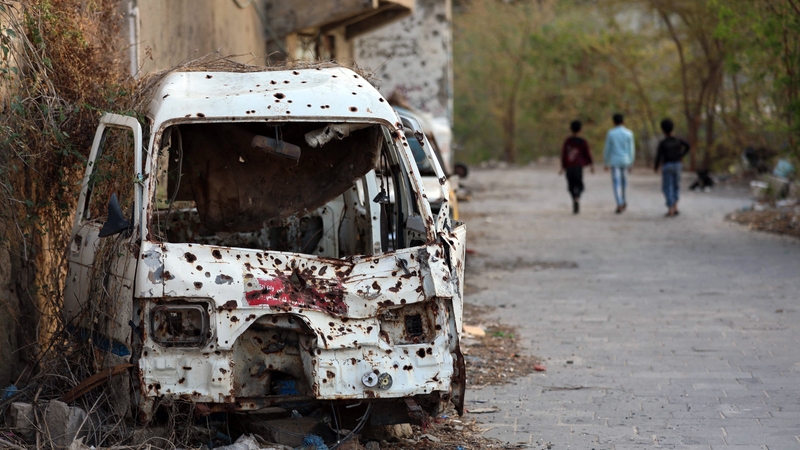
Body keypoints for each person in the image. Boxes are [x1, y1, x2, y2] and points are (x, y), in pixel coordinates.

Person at [654, 118, 690, 217]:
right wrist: (681, 155)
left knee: (667, 187)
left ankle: (670, 208)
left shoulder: (663, 142)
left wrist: (656, 167)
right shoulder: (678, 140)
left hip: (667, 165)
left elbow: (659, 156)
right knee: (676, 185)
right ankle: (675, 206)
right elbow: (688, 146)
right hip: (677, 165)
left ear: (663, 130)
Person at [559, 120, 594, 214]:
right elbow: (587, 154)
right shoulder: (583, 142)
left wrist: (562, 167)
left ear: (570, 129)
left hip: (569, 166)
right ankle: (577, 197)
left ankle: (574, 198)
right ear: (581, 129)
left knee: (570, 185)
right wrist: (591, 165)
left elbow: (564, 154)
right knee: (579, 185)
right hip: (578, 166)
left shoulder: (567, 141)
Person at [603, 113, 635, 213]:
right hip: (626, 161)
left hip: (615, 162)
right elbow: (631, 150)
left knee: (617, 183)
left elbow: (607, 149)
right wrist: (631, 162)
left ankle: (619, 203)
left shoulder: (611, 133)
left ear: (613, 122)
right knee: (624, 183)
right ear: (623, 122)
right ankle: (624, 200)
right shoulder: (629, 133)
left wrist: (606, 162)